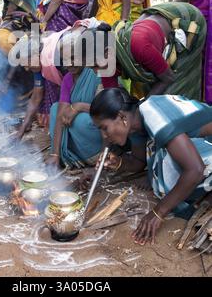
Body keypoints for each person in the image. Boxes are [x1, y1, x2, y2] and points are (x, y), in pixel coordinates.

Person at [90, 88, 212, 245]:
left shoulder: (154, 114)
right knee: (156, 159)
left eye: (104, 127)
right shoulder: (136, 122)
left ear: (121, 117)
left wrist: (158, 212)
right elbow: (138, 162)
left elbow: (195, 170)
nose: (104, 135)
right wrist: (119, 163)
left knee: (166, 165)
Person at [8, 19, 115, 134]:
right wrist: (22, 129)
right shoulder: (40, 61)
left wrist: (78, 107)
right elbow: (36, 95)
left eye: (26, 64)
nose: (26, 69)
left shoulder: (62, 61)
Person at [114, 2, 206, 99]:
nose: (97, 71)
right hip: (153, 22)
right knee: (150, 86)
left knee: (174, 93)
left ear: (107, 51)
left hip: (187, 20)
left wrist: (143, 106)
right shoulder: (102, 47)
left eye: (96, 66)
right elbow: (110, 90)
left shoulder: (139, 46)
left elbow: (168, 78)